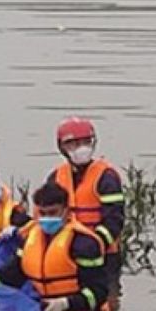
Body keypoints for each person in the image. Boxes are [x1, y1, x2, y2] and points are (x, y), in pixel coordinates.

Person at [0, 182, 110, 311]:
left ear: (66, 210)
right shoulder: (30, 238)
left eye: (53, 212)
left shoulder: (84, 244)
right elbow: (10, 274)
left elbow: (98, 292)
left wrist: (66, 304)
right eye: (42, 213)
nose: (47, 218)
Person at [47, 117, 125, 287]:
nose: (80, 148)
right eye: (73, 143)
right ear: (61, 147)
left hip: (104, 255)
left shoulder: (106, 177)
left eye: (85, 142)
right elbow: (44, 214)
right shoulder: (56, 177)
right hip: (66, 250)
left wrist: (96, 244)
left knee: (107, 299)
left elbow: (114, 220)